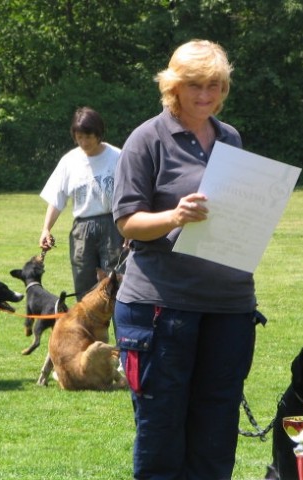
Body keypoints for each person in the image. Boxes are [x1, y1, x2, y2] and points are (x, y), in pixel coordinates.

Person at [111, 40, 258, 480]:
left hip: (229, 306)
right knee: (162, 435)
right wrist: (175, 216)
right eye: (195, 85)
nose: (206, 95)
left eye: (215, 85)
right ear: (173, 86)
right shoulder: (145, 139)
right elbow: (127, 223)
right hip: (161, 306)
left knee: (216, 434)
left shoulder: (229, 136)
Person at [39, 106, 123, 301]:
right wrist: (46, 229)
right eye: (79, 137)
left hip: (113, 226)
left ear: (98, 134)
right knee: (83, 286)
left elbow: (129, 195)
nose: (83, 142)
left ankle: (122, 332)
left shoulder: (117, 157)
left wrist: (128, 231)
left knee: (116, 284)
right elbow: (57, 198)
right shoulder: (69, 161)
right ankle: (85, 332)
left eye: (88, 136)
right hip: (82, 230)